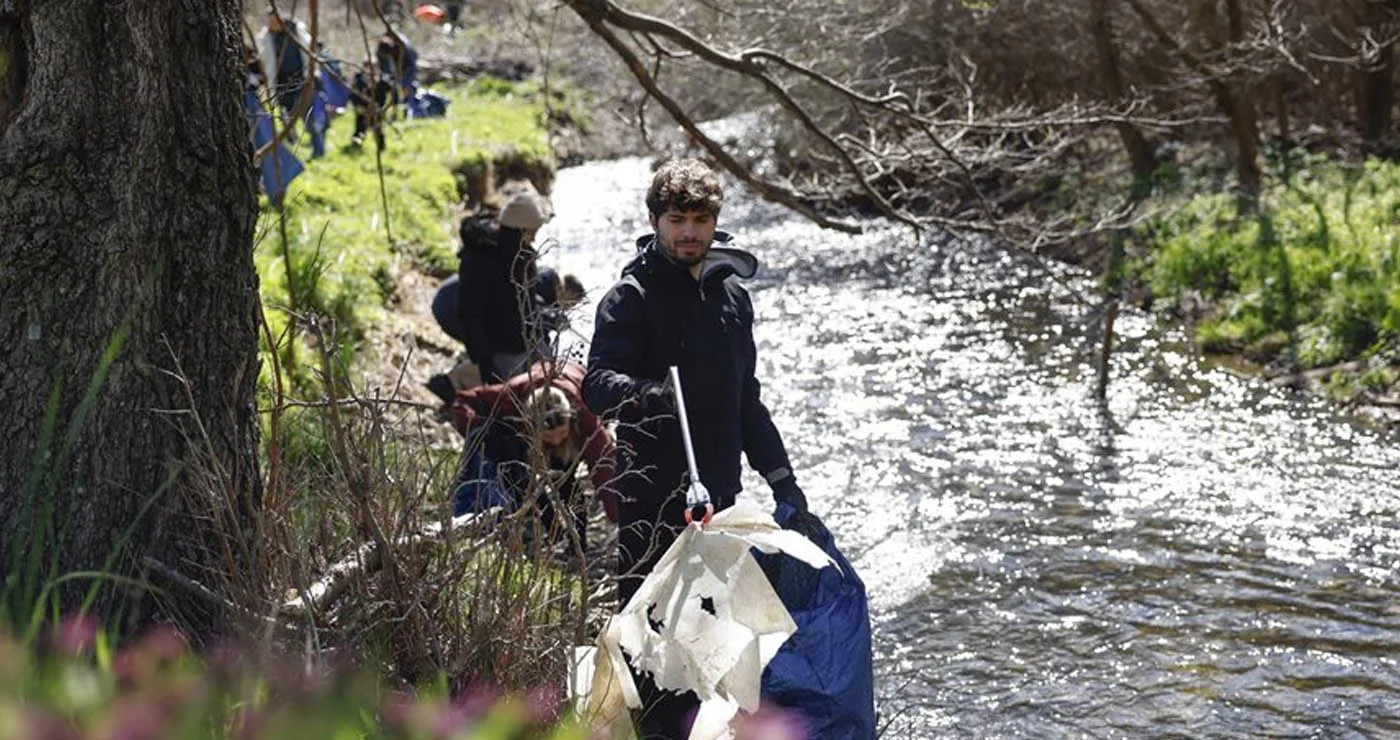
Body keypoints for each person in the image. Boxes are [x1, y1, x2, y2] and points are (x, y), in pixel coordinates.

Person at [581, 158, 813, 738]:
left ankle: (697, 729)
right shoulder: (630, 297)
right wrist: (646, 395)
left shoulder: (733, 299)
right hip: (650, 494)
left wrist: (783, 480)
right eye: (677, 219)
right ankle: (651, 729)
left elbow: (747, 401)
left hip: (718, 494)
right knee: (650, 635)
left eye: (700, 219)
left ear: (715, 223)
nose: (689, 232)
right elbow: (596, 384)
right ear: (655, 221)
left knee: (712, 635)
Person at [448, 361, 618, 554]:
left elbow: (605, 470)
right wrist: (484, 435)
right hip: (526, 433)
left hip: (571, 426)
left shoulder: (585, 417)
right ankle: (551, 535)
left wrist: (618, 515)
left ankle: (578, 544)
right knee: (522, 482)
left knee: (567, 484)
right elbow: (463, 403)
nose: (554, 441)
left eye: (559, 434)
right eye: (548, 437)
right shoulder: (510, 397)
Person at [458, 192, 554, 384]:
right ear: (519, 231)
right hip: (503, 352)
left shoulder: (523, 256)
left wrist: (540, 331)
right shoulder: (479, 260)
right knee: (514, 402)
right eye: (532, 232)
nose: (534, 240)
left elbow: (528, 303)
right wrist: (484, 360)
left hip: (529, 343)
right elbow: (469, 314)